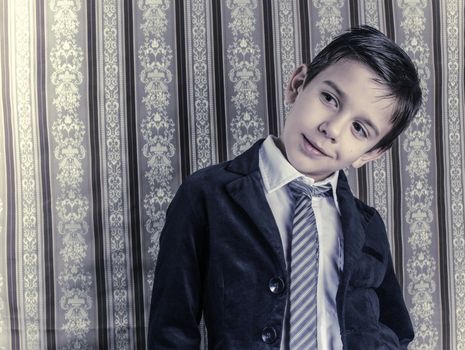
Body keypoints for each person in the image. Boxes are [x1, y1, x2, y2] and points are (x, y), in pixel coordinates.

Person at [148, 25, 422, 349]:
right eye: (330, 98)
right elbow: (171, 331)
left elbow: (395, 326)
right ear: (297, 84)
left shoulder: (367, 225)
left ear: (371, 153)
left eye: (359, 128)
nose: (331, 128)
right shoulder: (208, 196)